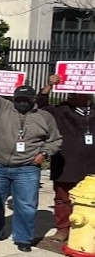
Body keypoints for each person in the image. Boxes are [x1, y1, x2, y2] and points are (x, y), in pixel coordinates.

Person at [0, 61, 62, 251]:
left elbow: (55, 140)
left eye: (26, 100)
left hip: (27, 167)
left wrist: (44, 154)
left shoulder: (45, 117)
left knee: (27, 204)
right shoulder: (1, 107)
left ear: (33, 100)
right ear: (13, 98)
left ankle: (23, 238)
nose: (21, 102)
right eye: (18, 98)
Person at [37, 74, 95, 242]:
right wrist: (49, 84)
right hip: (66, 164)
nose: (79, 95)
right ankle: (63, 229)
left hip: (91, 164)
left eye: (83, 93)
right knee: (63, 198)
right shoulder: (60, 111)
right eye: (75, 93)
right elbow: (40, 105)